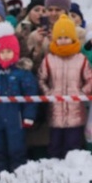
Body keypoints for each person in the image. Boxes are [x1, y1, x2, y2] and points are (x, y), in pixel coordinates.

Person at [0, 21, 38, 178]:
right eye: (2, 52)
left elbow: (31, 96)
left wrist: (29, 116)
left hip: (15, 117)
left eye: (9, 51)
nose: (5, 55)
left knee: (16, 146)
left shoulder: (22, 73)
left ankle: (18, 175)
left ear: (16, 52)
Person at [37, 14, 91, 159]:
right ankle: (55, 174)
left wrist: (81, 92)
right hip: (55, 114)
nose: (63, 41)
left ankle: (72, 175)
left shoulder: (81, 60)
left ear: (73, 38)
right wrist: (48, 92)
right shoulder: (49, 59)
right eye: (59, 38)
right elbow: (41, 78)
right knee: (55, 147)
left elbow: (89, 79)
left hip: (76, 114)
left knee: (73, 148)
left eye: (66, 37)